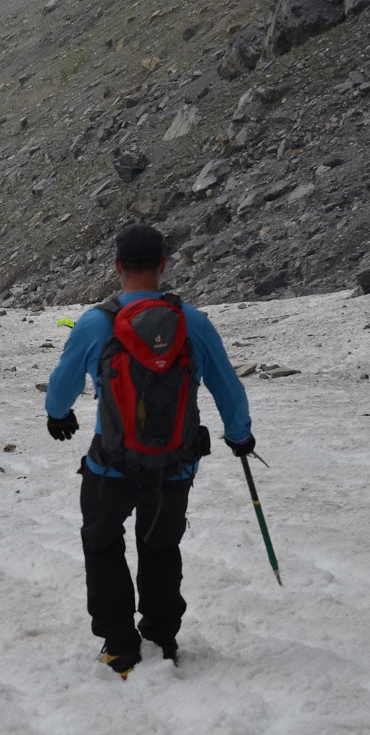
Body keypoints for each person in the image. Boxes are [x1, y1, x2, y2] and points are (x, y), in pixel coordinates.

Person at [44, 223, 253, 677]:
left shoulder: (95, 322)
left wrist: (57, 414)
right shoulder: (192, 322)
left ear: (116, 266)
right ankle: (162, 638)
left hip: (110, 466)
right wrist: (240, 435)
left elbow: (62, 384)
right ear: (163, 264)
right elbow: (227, 386)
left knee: (103, 547)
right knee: (160, 549)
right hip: (174, 466)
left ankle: (120, 647)